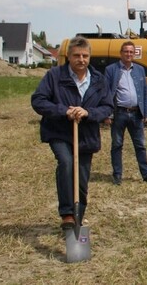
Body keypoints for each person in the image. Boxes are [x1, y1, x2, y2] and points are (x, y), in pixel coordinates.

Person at [31, 36, 113, 229]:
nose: (81, 59)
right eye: (76, 55)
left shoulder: (99, 80)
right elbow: (38, 100)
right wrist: (64, 111)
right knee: (67, 163)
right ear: (68, 56)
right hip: (59, 132)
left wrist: (89, 112)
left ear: (90, 57)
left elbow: (108, 106)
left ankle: (77, 218)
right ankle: (67, 213)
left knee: (82, 180)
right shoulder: (54, 76)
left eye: (85, 55)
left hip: (86, 136)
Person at [105, 41, 147, 185]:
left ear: (134, 54)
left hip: (136, 114)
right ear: (121, 53)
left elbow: (144, 92)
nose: (128, 54)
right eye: (126, 52)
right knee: (117, 145)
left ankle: (146, 175)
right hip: (119, 113)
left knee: (140, 145)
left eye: (131, 52)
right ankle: (117, 175)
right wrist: (107, 114)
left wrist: (146, 112)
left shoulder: (140, 70)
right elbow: (107, 93)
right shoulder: (111, 70)